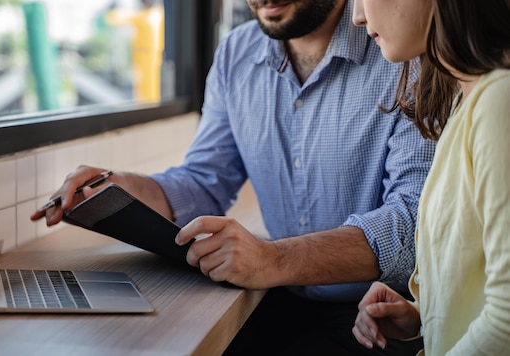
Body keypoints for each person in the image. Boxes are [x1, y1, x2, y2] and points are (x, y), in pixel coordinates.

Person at [32, 0, 436, 354]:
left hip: (381, 313)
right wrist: (121, 190)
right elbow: (204, 180)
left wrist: (274, 259)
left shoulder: (403, 46)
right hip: (283, 296)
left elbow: (413, 224)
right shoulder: (236, 53)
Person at [351, 0, 510, 354]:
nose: (358, 16)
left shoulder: (498, 102)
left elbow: (507, 320)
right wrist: (423, 315)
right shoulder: (464, 102)